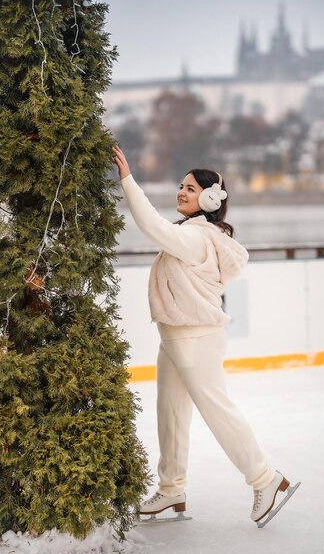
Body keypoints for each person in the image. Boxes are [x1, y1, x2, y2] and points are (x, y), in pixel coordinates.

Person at [113, 145, 299, 526]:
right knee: (171, 412)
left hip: (193, 338)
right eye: (181, 186)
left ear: (210, 199)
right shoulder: (192, 233)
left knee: (216, 409)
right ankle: (171, 489)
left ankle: (265, 478)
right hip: (176, 336)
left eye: (191, 188)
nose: (181, 192)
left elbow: (152, 226)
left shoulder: (196, 237)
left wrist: (128, 181)